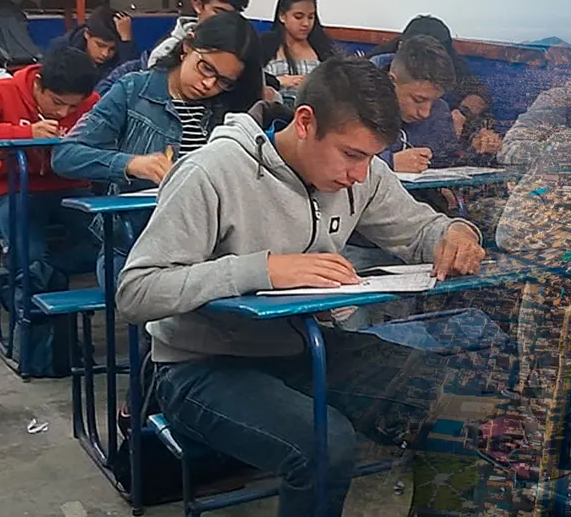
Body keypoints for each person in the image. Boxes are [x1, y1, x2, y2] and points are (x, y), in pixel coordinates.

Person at [115, 57, 486, 517]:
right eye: (352, 155)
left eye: (371, 157)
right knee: (323, 446)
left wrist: (455, 234)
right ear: (306, 122)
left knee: (457, 398)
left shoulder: (363, 173)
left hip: (303, 349)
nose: (359, 173)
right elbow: (136, 291)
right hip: (202, 367)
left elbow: (418, 229)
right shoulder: (213, 172)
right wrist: (262, 270)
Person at [51, 12, 263, 285]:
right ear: (187, 47)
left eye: (224, 81)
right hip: (135, 246)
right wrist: (130, 164)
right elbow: (65, 156)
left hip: (208, 246)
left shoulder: (227, 110)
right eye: (206, 68)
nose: (210, 84)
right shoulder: (133, 91)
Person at [0, 47, 100, 318]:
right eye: (56, 102)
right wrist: (24, 133)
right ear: (38, 84)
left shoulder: (93, 102)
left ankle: (39, 272)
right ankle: (41, 349)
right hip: (15, 190)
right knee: (29, 254)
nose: (63, 112)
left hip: (72, 187)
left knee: (110, 242)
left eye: (73, 106)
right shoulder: (4, 92)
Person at [96, 0, 252, 95]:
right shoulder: (166, 50)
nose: (209, 83)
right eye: (218, 12)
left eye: (234, 15)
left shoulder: (242, 49)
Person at [367, 15, 501, 156]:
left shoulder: (439, 110)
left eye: (434, 100)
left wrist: (476, 150)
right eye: (418, 100)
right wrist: (390, 163)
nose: (426, 113)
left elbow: (447, 159)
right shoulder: (356, 103)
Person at [261, 0, 339, 104]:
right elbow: (249, 79)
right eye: (298, 17)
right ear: (282, 16)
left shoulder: (323, 49)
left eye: (311, 17)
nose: (306, 23)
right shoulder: (265, 44)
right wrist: (277, 81)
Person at [48, 5, 138, 82]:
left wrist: (126, 40)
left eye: (112, 49)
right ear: (87, 34)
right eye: (100, 45)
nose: (105, 53)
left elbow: (133, 82)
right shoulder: (61, 51)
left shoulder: (123, 52)